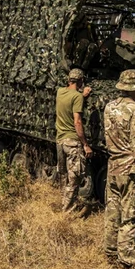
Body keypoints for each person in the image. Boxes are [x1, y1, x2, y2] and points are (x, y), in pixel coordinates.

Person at [103, 69, 135, 268]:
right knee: (131, 217)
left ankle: (110, 253)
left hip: (113, 166)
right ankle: (126, 262)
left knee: (113, 213)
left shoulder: (109, 107)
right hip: (130, 171)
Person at [55, 68, 93, 213]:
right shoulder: (77, 97)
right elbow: (77, 122)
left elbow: (69, 98)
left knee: (63, 176)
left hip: (60, 140)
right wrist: (85, 144)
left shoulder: (60, 92)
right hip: (72, 141)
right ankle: (68, 210)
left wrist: (81, 95)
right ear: (81, 81)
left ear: (69, 80)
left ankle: (63, 204)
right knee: (75, 177)